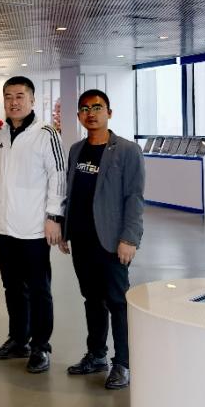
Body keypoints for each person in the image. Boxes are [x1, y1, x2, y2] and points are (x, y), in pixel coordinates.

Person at [60, 89, 144, 390]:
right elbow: (71, 193)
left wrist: (129, 238)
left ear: (109, 112)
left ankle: (123, 363)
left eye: (97, 107)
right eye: (85, 109)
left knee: (117, 302)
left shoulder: (127, 150)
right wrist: (66, 229)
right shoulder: (76, 150)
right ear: (79, 115)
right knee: (92, 299)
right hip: (82, 238)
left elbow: (134, 197)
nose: (91, 113)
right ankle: (97, 355)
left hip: (111, 240)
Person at [0, 76, 66, 374]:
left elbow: (58, 175)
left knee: (39, 289)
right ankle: (19, 340)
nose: (13, 102)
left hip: (34, 228)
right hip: (4, 226)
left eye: (20, 96)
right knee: (12, 287)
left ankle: (41, 346)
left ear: (32, 100)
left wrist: (54, 217)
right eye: (8, 96)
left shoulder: (46, 134)